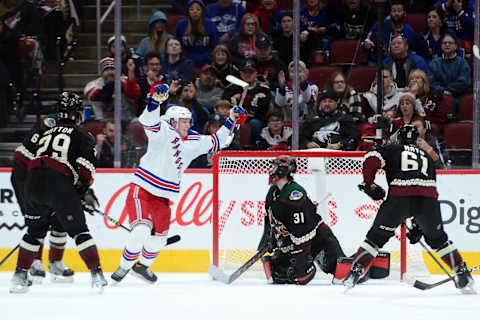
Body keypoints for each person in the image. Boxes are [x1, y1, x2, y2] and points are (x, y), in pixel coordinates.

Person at [110, 83, 244, 284]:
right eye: (184, 121)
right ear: (172, 122)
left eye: (189, 121)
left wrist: (231, 120)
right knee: (141, 231)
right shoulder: (162, 131)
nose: (189, 125)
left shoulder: (194, 139)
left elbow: (218, 141)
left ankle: (142, 266)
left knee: (159, 239)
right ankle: (123, 268)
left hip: (164, 197)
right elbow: (148, 119)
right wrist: (155, 101)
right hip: (143, 190)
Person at [342, 124, 476, 293]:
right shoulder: (427, 157)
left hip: (399, 197)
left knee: (375, 239)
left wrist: (369, 183)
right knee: (439, 240)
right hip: (428, 201)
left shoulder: (392, 149)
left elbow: (371, 159)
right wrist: (419, 224)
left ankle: (354, 273)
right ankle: (462, 272)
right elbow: (427, 188)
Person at [10, 92, 107, 294]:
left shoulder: (46, 130)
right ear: (79, 115)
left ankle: (19, 277)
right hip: (57, 182)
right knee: (79, 230)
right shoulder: (83, 135)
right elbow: (85, 169)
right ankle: (97, 275)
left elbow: (26, 158)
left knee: (34, 232)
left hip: (32, 181)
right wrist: (81, 191)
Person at [258, 155, 346, 285]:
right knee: (276, 271)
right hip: (296, 243)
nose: (271, 170)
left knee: (340, 272)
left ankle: (363, 264)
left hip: (318, 240)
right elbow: (270, 218)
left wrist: (300, 254)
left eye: (275, 166)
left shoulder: (295, 193)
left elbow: (303, 229)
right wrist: (268, 238)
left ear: (283, 170)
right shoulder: (273, 192)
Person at [10, 107, 74, 283]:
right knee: (37, 219)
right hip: (26, 173)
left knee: (60, 217)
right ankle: (35, 262)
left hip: (45, 174)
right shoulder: (51, 124)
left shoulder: (74, 131)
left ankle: (56, 262)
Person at [222, 58, 271, 146]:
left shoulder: (263, 89)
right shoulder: (231, 88)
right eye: (245, 72)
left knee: (254, 123)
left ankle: (252, 147)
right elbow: (224, 105)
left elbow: (263, 110)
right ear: (240, 73)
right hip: (233, 118)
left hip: (254, 120)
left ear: (256, 73)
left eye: (251, 72)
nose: (248, 75)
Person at [83, 57, 141, 126]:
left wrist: (131, 72)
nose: (110, 72)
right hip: (101, 123)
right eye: (106, 70)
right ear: (101, 72)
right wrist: (112, 90)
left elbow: (134, 93)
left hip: (127, 122)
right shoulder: (93, 85)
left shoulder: (125, 80)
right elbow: (93, 95)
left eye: (112, 69)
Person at [362, 0, 419, 66]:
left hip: (399, 63)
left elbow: (414, 51)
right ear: (390, 13)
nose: (396, 13)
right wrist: (366, 45)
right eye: (394, 11)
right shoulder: (380, 25)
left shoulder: (409, 31)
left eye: (399, 11)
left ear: (404, 14)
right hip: (377, 62)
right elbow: (366, 43)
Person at [175, 0, 219, 68]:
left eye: (198, 9)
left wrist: (206, 58)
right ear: (188, 12)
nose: (195, 11)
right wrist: (187, 58)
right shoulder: (181, 24)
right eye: (191, 9)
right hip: (185, 62)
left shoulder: (210, 24)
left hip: (207, 62)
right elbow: (177, 44)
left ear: (202, 12)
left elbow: (215, 45)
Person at [427, 32, 471, 100]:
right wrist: (443, 91)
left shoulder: (462, 63)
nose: (447, 45)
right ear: (441, 46)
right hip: (439, 98)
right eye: (444, 43)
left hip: (458, 98)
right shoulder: (434, 63)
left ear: (456, 46)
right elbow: (431, 83)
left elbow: (464, 82)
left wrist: (447, 90)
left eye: (450, 43)